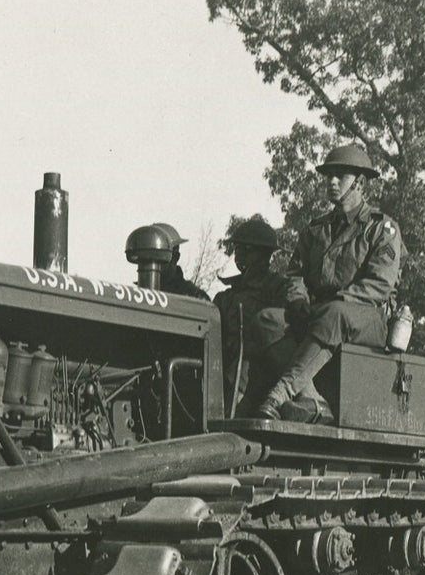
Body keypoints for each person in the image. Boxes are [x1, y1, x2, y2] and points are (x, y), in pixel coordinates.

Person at [255, 144, 404, 423]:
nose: (331, 182)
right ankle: (312, 400)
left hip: (368, 319)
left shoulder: (381, 229)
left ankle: (280, 393)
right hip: (323, 315)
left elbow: (379, 284)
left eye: (340, 176)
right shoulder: (316, 229)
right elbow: (295, 274)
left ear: (359, 182)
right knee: (268, 320)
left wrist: (335, 303)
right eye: (329, 176)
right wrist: (298, 302)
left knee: (334, 313)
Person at [213, 216, 293, 415]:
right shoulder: (227, 295)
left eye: (246, 250)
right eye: (238, 249)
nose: (239, 255)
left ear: (265, 255)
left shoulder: (279, 289)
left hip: (257, 380)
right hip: (223, 372)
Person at [153, 222, 210, 300]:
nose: (154, 261)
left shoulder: (193, 296)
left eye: (160, 256)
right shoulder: (139, 294)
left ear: (176, 257)